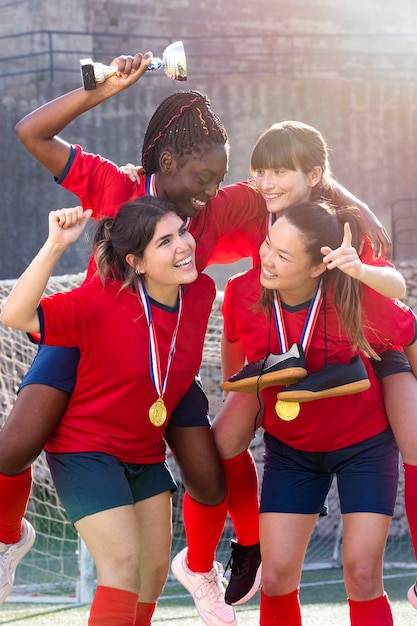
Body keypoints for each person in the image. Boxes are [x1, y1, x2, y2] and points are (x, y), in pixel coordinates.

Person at [0, 52, 394, 624]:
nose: (213, 192)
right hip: (94, 347)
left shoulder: (215, 205)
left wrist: (353, 203)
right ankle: (11, 537)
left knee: (209, 480)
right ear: (166, 160)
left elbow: (288, 186)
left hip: (169, 361)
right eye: (204, 178)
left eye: (219, 178)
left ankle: (205, 563)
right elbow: (31, 132)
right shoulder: (117, 187)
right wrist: (107, 87)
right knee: (14, 450)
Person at [1, 197, 216, 625]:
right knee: (121, 565)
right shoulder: (98, 301)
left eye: (183, 232)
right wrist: (56, 244)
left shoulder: (202, 293)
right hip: (86, 452)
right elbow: (15, 314)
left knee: (152, 575)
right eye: (165, 241)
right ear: (135, 261)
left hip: (145, 452)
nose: (183, 246)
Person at [220, 201, 417, 625]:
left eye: (283, 256)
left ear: (315, 268)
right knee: (274, 577)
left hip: (364, 447)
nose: (266, 259)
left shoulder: (355, 294)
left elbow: (410, 331)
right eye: (268, 245)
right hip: (292, 451)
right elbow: (237, 369)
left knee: (362, 575)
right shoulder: (241, 292)